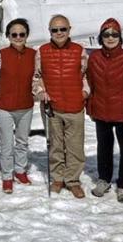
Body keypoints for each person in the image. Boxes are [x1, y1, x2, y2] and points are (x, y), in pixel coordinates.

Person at [86, 18, 123, 203]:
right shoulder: (94, 58)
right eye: (106, 34)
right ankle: (104, 179)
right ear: (101, 37)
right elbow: (91, 85)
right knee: (104, 148)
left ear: (120, 37)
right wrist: (91, 108)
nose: (110, 38)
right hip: (101, 112)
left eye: (114, 34)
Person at [33, 14, 89, 199]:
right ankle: (57, 178)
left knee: (75, 147)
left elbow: (86, 77)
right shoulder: (41, 51)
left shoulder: (79, 51)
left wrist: (84, 94)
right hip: (52, 108)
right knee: (55, 145)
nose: (59, 33)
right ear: (50, 31)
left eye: (62, 29)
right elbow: (36, 76)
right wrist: (41, 92)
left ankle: (72, 180)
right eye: (55, 30)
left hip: (74, 107)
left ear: (69, 30)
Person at [0, 18, 36, 194]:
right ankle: (7, 176)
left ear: (26, 36)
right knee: (7, 143)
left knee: (22, 141)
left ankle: (20, 171)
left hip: (25, 106)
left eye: (21, 34)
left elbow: (38, 76)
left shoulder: (33, 55)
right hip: (5, 107)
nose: (18, 37)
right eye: (14, 34)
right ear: (8, 36)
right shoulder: (1, 55)